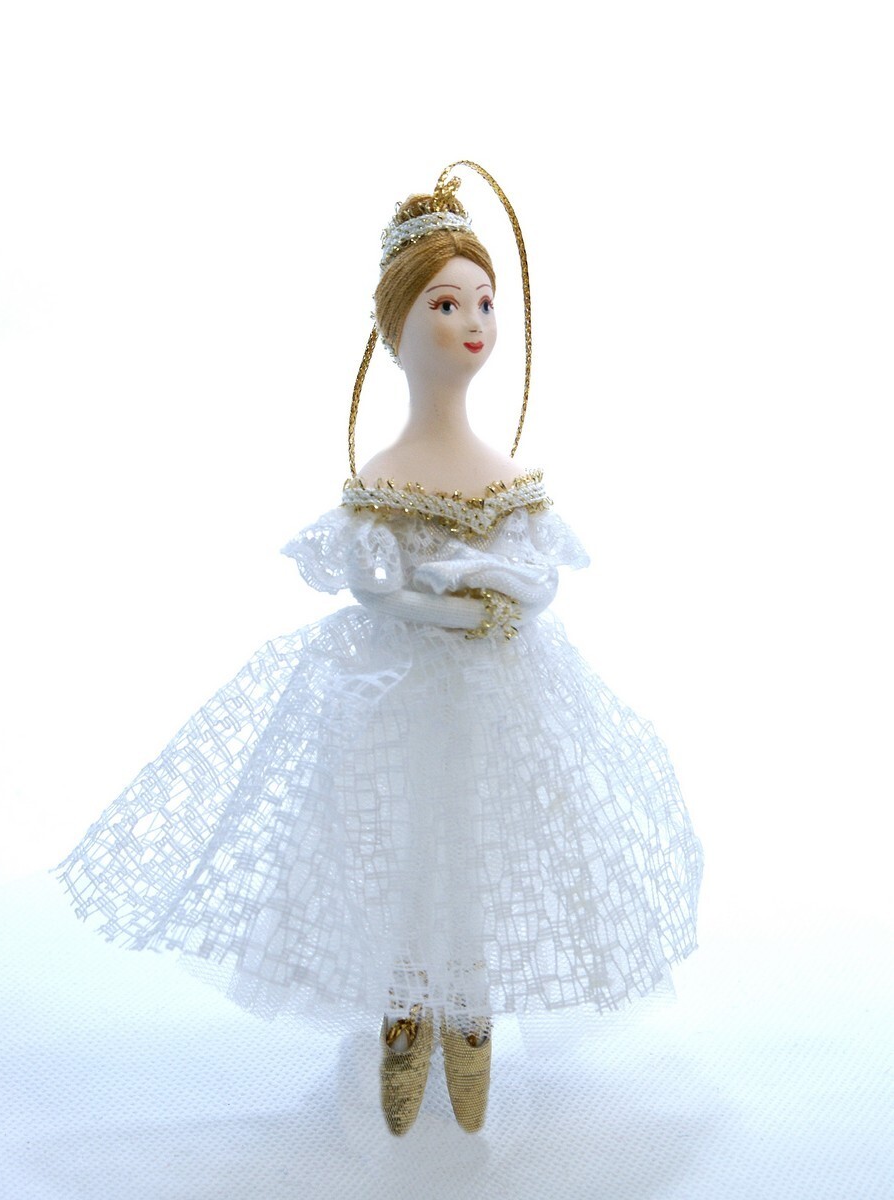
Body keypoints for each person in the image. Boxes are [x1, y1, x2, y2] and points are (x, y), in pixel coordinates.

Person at [56, 162, 704, 1137]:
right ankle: (408, 1011)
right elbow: (374, 588)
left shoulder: (510, 479)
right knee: (398, 844)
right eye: (446, 303)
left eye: (484, 301)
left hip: (501, 704)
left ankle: (469, 1014)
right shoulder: (385, 477)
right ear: (397, 329)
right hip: (395, 698)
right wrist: (464, 604)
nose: (474, 322)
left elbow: (541, 582)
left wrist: (488, 598)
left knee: (485, 846)